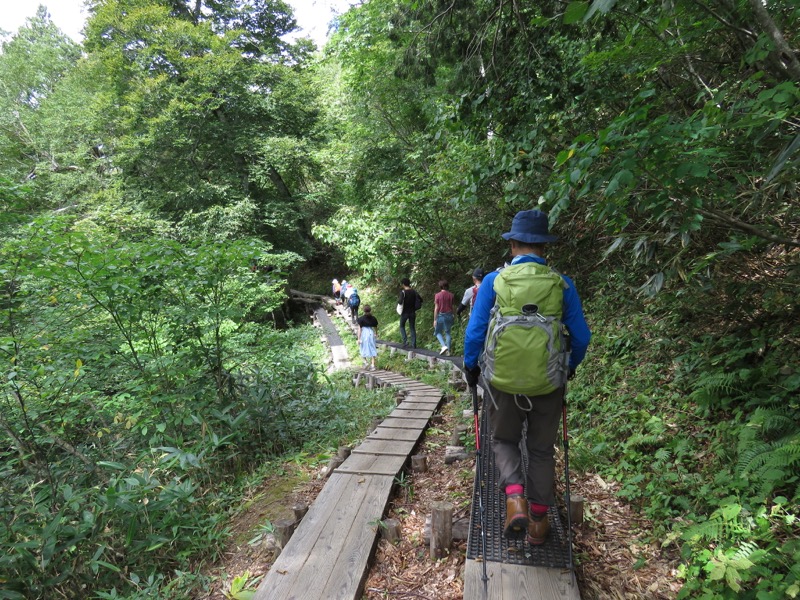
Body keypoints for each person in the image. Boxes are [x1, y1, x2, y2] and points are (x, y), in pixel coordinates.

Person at [463, 209, 591, 546]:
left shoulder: (493, 281)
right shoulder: (562, 284)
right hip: (548, 382)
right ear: (544, 247)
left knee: (503, 439)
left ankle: (515, 497)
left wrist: (471, 366)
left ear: (513, 245)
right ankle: (537, 522)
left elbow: (476, 331)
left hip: (502, 383)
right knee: (541, 450)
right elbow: (581, 338)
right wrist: (569, 366)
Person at [433, 279, 455, 355]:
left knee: (437, 332)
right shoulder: (451, 295)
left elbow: (436, 308)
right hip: (449, 315)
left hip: (441, 315)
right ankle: (448, 351)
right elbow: (452, 306)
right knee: (448, 333)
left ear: (440, 286)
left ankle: (443, 346)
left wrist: (435, 319)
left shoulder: (437, 295)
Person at [397, 278, 420, 348]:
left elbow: (400, 302)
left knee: (402, 326)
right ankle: (414, 344)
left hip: (405, 312)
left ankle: (405, 341)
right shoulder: (414, 291)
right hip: (412, 312)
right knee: (412, 327)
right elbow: (420, 299)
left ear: (403, 284)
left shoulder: (403, 292)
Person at [357, 305, 379, 370]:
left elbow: (359, 329)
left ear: (364, 311)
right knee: (372, 347)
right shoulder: (373, 318)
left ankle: (365, 361)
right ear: (370, 310)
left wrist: (358, 338)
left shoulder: (361, 319)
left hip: (365, 333)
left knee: (362, 347)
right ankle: (373, 365)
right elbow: (375, 327)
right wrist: (376, 333)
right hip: (371, 333)